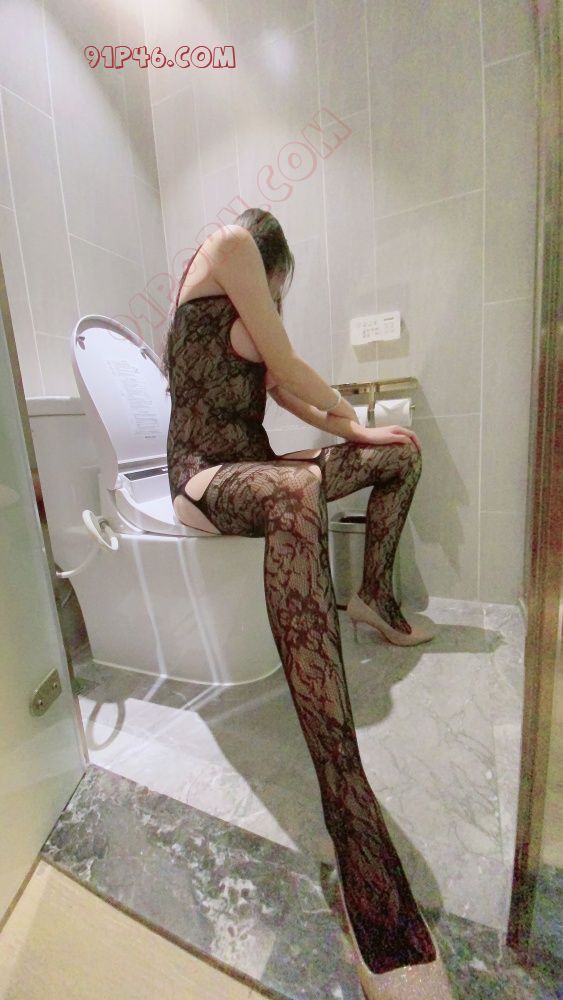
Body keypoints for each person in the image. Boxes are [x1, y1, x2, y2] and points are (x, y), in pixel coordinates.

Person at [162, 209, 452, 999]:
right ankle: (347, 809)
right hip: (201, 475)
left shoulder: (243, 295)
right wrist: (352, 420)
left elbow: (288, 392)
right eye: (278, 283)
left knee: (399, 455)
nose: (276, 293)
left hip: (253, 464)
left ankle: (373, 598)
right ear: (270, 259)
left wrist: (361, 434)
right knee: (296, 491)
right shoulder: (229, 244)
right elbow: (289, 365)